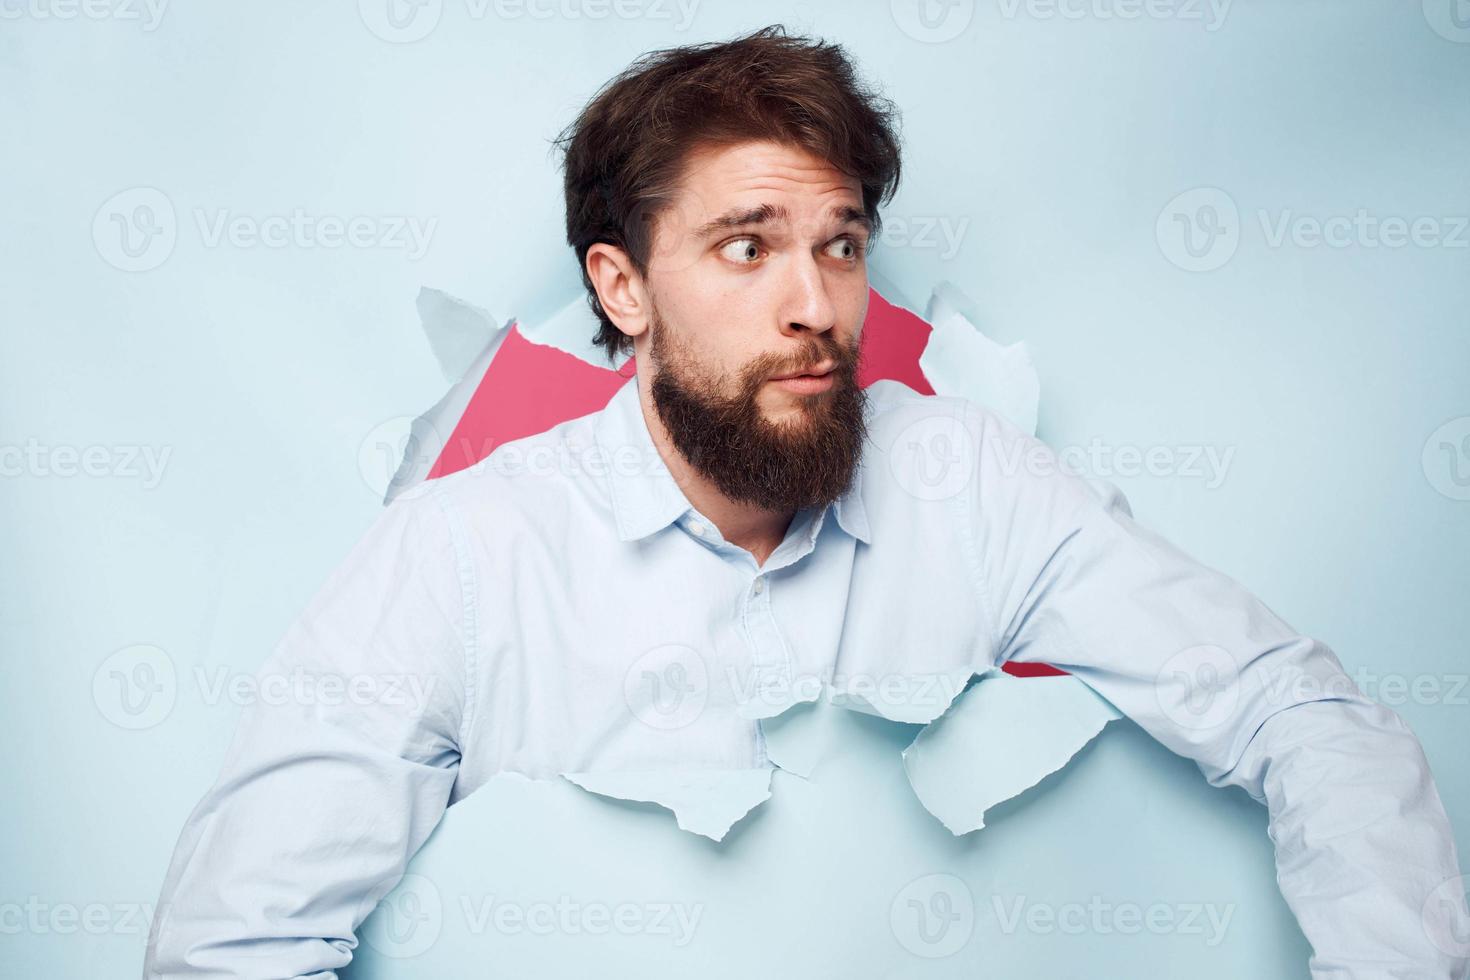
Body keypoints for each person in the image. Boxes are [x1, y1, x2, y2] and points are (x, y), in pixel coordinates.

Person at [144, 25, 1468, 978]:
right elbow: (232, 941)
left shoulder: (971, 485)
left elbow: (1297, 713)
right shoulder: (464, 556)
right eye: (745, 246)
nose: (814, 305)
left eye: (840, 244)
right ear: (620, 289)